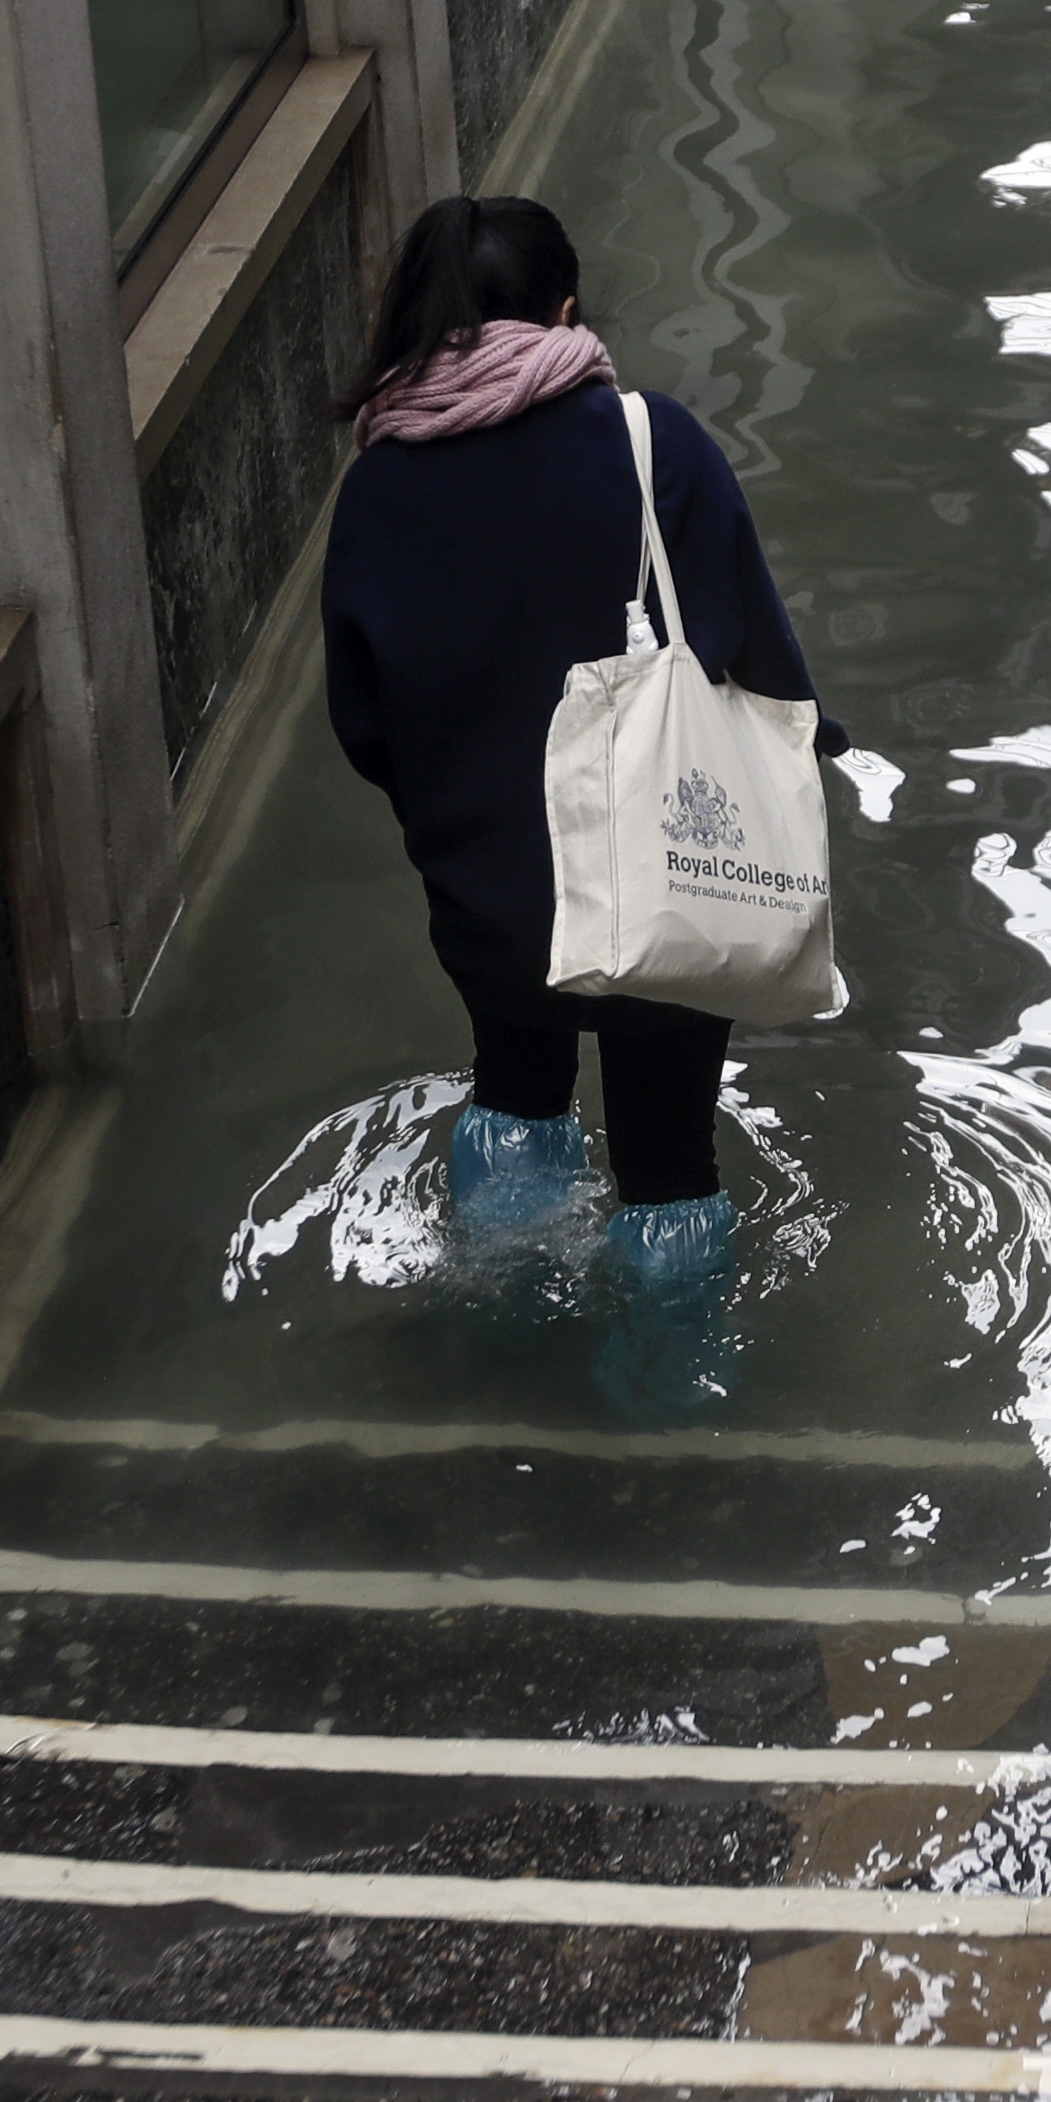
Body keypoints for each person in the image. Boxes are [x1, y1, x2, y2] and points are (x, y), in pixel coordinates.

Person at [320, 196, 830, 1405]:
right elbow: (750, 652)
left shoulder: (379, 488)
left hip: (489, 904)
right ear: (564, 310)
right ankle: (657, 1406)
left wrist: (467, 816)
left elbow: (364, 723)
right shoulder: (655, 444)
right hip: (665, 888)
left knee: (515, 1081)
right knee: (667, 1159)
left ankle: (495, 1323)